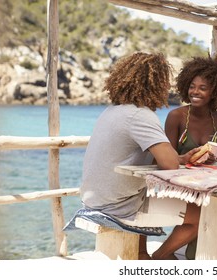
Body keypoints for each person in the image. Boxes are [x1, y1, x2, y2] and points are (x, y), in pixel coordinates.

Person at [79, 52, 200, 260]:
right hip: (119, 205)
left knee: (148, 190)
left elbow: (160, 158)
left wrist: (181, 158)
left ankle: (142, 254)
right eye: (165, 83)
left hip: (94, 198)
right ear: (155, 84)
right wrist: (175, 159)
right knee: (199, 214)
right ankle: (159, 257)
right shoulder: (140, 115)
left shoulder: (112, 111)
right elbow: (169, 164)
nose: (167, 88)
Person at [163, 55, 217, 259]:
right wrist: (184, 158)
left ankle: (199, 256)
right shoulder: (176, 117)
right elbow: (164, 160)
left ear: (215, 91)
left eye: (202, 88)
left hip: (206, 183)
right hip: (179, 185)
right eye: (192, 86)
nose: (195, 92)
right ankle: (166, 255)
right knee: (208, 208)